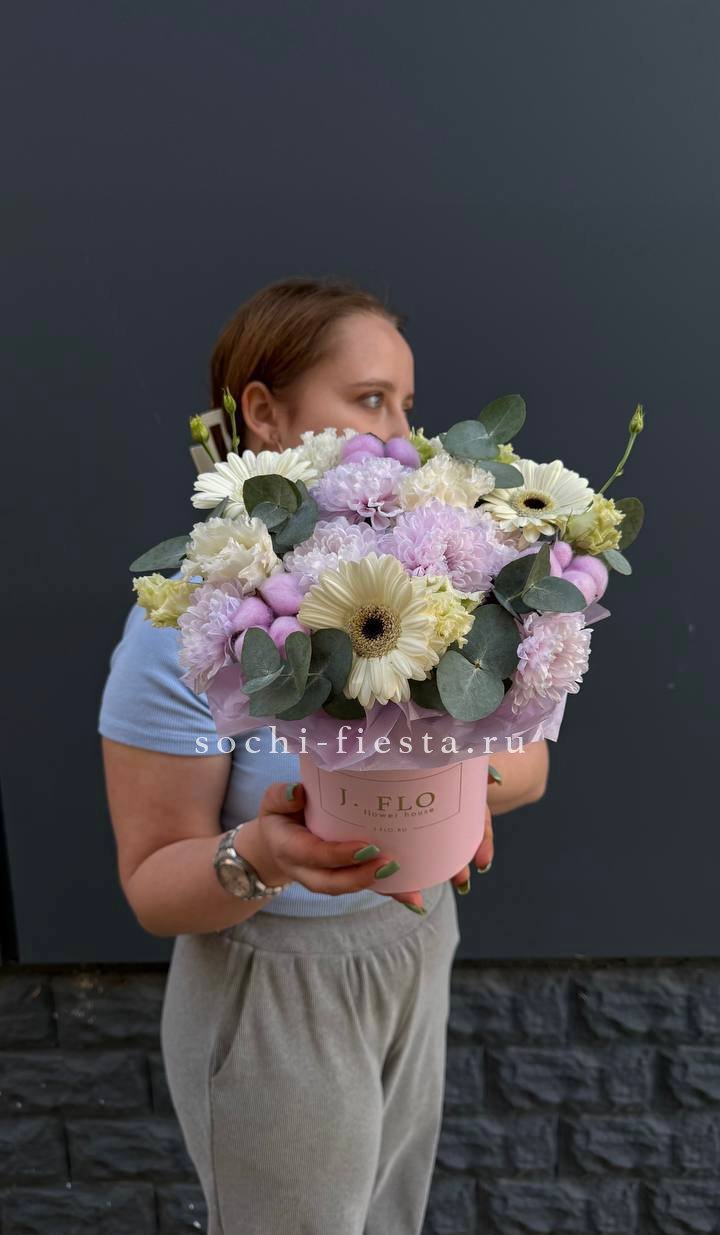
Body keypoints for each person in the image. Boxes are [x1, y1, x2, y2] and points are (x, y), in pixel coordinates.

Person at [98, 275, 549, 1235]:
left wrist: (452, 788)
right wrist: (263, 854)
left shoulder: (435, 588)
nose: (402, 436)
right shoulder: (188, 630)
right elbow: (151, 884)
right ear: (265, 414)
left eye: (407, 404)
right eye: (369, 399)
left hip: (415, 944)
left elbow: (529, 766)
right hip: (273, 986)